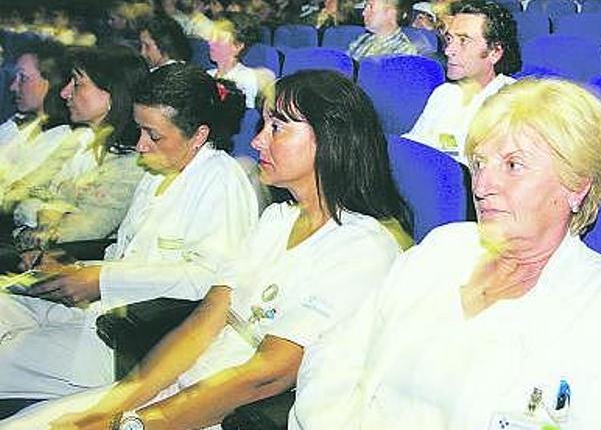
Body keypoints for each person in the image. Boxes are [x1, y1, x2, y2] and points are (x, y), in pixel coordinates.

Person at [0, 70, 412, 430]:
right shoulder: (276, 221)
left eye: (278, 128)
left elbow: (265, 375)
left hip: (227, 412)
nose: (256, 141)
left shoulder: (362, 248)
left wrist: (136, 423)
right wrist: (117, 403)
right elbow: (203, 323)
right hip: (179, 391)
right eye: (262, 125)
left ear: (331, 139)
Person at [293, 78, 601, 430]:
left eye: (513, 165)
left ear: (576, 186)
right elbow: (334, 357)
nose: (483, 185)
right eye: (478, 164)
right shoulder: (442, 248)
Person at [0, 63, 259, 406]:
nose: (140, 146)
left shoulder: (222, 182)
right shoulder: (157, 172)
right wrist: (73, 268)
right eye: (139, 130)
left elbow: (209, 281)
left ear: (198, 135)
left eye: (154, 136)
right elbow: (125, 254)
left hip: (132, 339)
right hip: (99, 307)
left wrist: (102, 280)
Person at [3, 46, 148, 253]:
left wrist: (41, 218)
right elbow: (24, 198)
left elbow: (77, 233)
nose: (64, 93)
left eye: (77, 84)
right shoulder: (78, 142)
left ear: (112, 96)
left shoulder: (130, 164)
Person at [404, 0, 521, 163]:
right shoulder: (443, 93)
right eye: (450, 39)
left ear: (495, 52)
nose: (448, 50)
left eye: (463, 40)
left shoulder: (516, 103)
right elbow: (412, 147)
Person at [0, 41, 71, 195]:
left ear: (51, 83)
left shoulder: (60, 138)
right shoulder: (16, 122)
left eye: (23, 78)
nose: (13, 87)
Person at [207, 12, 263, 109]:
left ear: (238, 46)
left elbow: (247, 118)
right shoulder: (207, 75)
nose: (210, 42)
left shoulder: (248, 78)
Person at [347, 0, 417, 61]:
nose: (364, 13)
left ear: (390, 14)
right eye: (365, 7)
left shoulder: (404, 51)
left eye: (371, 7)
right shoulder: (363, 39)